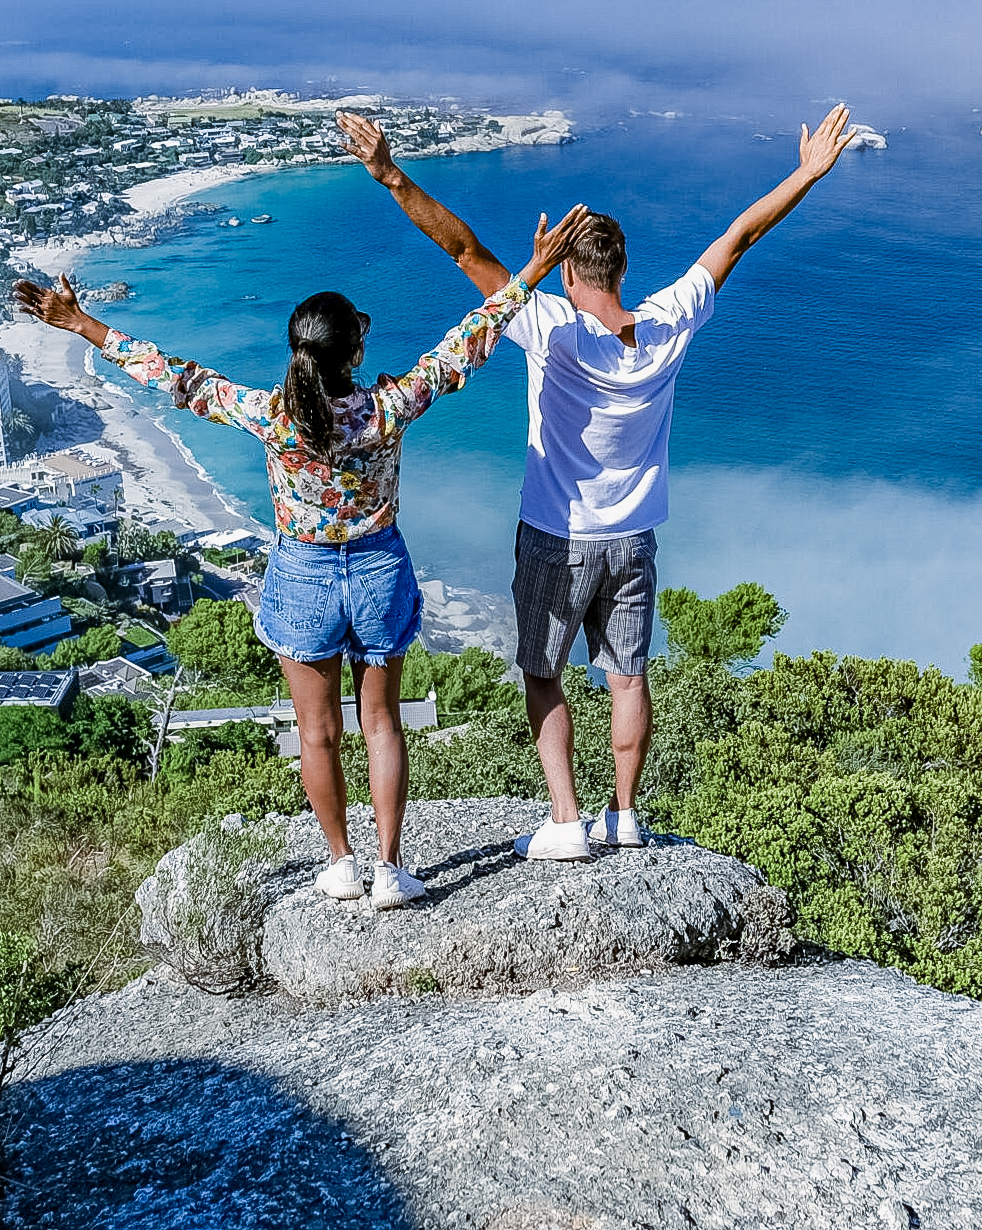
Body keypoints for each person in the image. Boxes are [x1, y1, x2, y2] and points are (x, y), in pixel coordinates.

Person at [11, 201, 590, 906]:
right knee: (382, 723)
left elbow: (177, 377)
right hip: (378, 569)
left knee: (317, 731)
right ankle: (390, 868)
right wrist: (532, 271)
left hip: (303, 575)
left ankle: (342, 862)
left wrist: (83, 324)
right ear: (355, 355)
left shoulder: (273, 416)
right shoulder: (386, 409)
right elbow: (467, 342)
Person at [339, 104, 857, 858]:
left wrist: (390, 174)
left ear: (568, 270)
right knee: (627, 677)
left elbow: (462, 248)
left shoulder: (548, 324)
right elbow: (740, 236)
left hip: (557, 536)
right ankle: (624, 814)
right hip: (634, 538)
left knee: (542, 674)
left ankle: (566, 820)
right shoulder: (670, 324)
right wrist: (806, 172)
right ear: (621, 268)